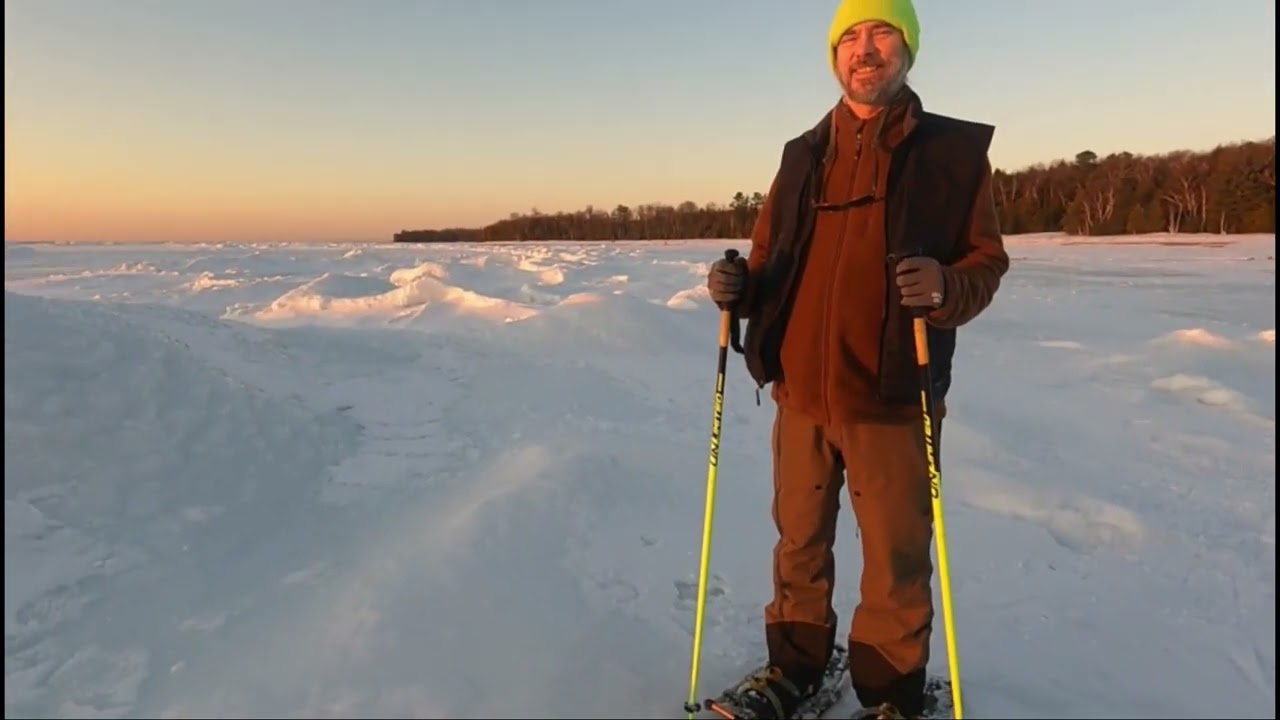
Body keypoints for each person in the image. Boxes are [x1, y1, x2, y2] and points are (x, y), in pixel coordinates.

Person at [705, 0, 1010, 717]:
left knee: (895, 558)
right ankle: (795, 672)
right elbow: (769, 258)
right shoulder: (801, 154)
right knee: (799, 545)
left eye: (881, 34)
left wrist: (945, 287)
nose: (864, 49)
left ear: (907, 48)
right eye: (850, 37)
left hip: (894, 397)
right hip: (803, 396)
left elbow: (986, 262)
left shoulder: (952, 154)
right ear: (834, 55)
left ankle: (890, 695)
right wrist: (740, 290)